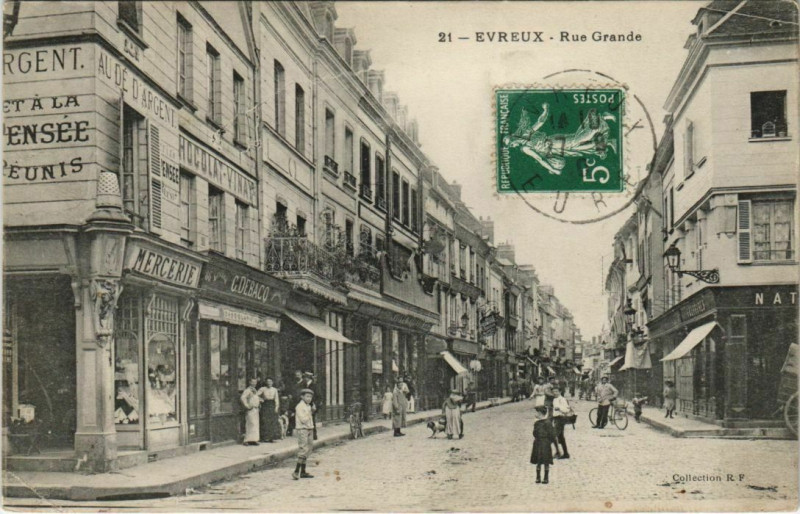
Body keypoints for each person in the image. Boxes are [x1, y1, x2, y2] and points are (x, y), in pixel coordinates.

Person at [292, 389, 315, 480]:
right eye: (307, 396)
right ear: (302, 397)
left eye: (310, 397)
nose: (309, 399)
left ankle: (303, 472)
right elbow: (303, 420)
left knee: (308, 449)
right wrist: (310, 412)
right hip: (302, 429)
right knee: (303, 449)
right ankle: (296, 471)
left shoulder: (308, 406)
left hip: (309, 429)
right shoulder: (299, 407)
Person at [530, 406, 555, 484]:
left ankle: (546, 477)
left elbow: (552, 434)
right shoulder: (537, 423)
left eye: (537, 412)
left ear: (540, 413)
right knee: (538, 460)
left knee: (546, 460)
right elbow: (534, 433)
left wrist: (548, 441)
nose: (535, 414)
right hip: (538, 442)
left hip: (545, 443)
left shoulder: (547, 423)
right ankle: (538, 477)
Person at [258, 378, 281, 443]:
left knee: (272, 421)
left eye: (270, 381)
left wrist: (276, 407)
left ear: (272, 382)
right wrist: (261, 399)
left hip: (272, 405)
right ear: (266, 382)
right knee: (265, 420)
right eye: (268, 381)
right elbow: (256, 395)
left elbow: (276, 399)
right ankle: (265, 437)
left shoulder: (274, 389)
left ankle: (272, 437)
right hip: (265, 405)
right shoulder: (262, 389)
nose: (269, 383)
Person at [551, 387, 571, 459]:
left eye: (556, 391)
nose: (555, 393)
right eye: (554, 391)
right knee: (561, 437)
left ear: (560, 391)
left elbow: (567, 410)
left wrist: (559, 408)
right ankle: (565, 453)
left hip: (561, 418)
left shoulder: (562, 399)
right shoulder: (554, 399)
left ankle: (558, 452)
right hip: (556, 419)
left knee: (553, 435)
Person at [240, 377, 260, 446]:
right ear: (250, 382)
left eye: (255, 382)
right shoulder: (247, 390)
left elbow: (255, 398)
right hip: (250, 409)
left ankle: (254, 439)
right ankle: (247, 440)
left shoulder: (255, 390)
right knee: (250, 424)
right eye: (253, 382)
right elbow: (242, 398)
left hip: (256, 409)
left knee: (255, 424)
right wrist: (247, 405)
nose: (254, 383)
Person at [287, 370, 304, 436]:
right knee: (292, 415)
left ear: (301, 375)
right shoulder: (293, 383)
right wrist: (289, 395)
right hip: (293, 402)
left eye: (298, 375)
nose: (297, 376)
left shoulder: (304, 383)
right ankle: (291, 430)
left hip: (301, 402)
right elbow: (289, 390)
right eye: (296, 375)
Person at [302, 372, 319, 440]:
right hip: (305, 404)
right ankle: (308, 435)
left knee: (312, 420)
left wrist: (315, 405)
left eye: (305, 378)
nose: (305, 379)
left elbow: (319, 397)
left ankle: (314, 435)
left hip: (312, 405)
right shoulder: (304, 385)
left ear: (308, 378)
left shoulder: (314, 385)